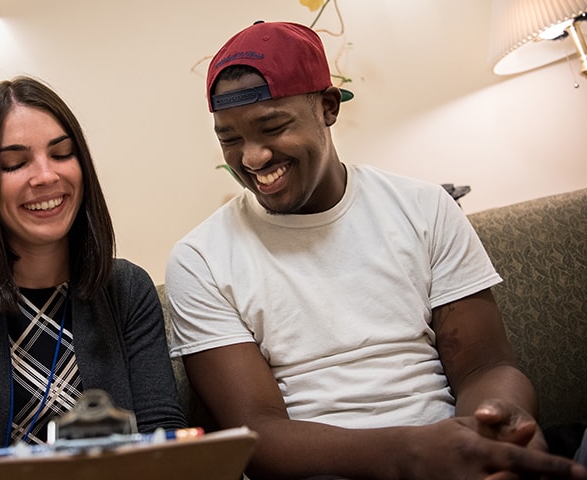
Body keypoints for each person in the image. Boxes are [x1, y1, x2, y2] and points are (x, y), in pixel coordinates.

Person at [165, 21, 587, 480]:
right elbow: (258, 434)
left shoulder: (423, 208)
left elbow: (485, 365)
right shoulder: (201, 259)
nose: (252, 157)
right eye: (229, 138)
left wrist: (498, 430)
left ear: (327, 107)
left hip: (455, 447)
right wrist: (416, 454)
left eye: (272, 126)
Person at [0, 76, 185, 480]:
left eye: (62, 154)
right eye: (14, 163)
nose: (46, 176)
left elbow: (164, 442)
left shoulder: (128, 290)